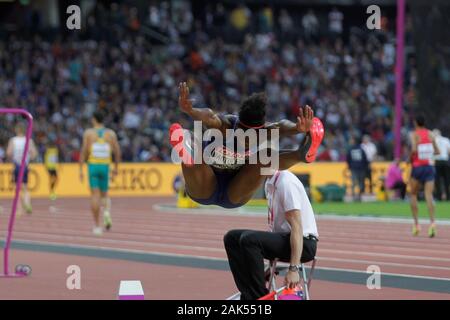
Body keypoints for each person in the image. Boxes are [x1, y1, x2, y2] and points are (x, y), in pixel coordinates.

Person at [169, 82, 324, 209]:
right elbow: (209, 116)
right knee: (192, 141)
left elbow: (282, 126)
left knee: (266, 156)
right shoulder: (225, 125)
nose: (245, 140)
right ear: (237, 126)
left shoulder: (265, 131)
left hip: (235, 193)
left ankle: (302, 154)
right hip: (204, 186)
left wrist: (297, 129)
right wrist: (191, 111)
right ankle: (188, 153)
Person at [224, 170, 318, 300]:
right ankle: (248, 295)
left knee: (249, 240)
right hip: (286, 240)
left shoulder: (286, 182)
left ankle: (258, 297)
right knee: (231, 238)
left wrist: (293, 269)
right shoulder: (269, 182)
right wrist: (268, 267)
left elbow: (297, 227)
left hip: (304, 243)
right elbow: (276, 230)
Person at [79, 110, 121, 235]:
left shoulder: (89, 133)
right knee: (105, 194)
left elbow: (84, 151)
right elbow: (117, 152)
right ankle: (106, 212)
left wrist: (80, 168)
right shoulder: (111, 134)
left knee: (95, 196)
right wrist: (116, 168)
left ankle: (97, 226)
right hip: (105, 166)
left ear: (93, 119)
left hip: (93, 166)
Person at [409, 115, 440, 237]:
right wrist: (428, 153)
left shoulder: (414, 134)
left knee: (413, 194)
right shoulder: (430, 134)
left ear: (416, 123)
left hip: (417, 167)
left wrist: (408, 159)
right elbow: (437, 152)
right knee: (429, 195)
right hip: (429, 167)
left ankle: (416, 225)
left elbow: (413, 150)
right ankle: (432, 224)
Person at [6, 122, 38, 215]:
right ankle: (27, 204)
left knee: (17, 188)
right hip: (25, 165)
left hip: (17, 165)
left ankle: (19, 209)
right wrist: (29, 158)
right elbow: (34, 153)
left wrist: (13, 157)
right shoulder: (28, 140)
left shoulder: (13, 140)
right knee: (25, 187)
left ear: (16, 130)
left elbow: (8, 152)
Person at [346, 136, 369, 201]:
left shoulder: (350, 150)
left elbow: (348, 159)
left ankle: (353, 196)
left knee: (354, 182)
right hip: (361, 168)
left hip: (354, 168)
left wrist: (350, 166)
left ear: (354, 141)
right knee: (361, 182)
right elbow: (365, 159)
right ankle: (359, 196)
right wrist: (364, 167)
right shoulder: (361, 149)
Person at [433, 129, 450, 201]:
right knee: (447, 181)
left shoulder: (433, 141)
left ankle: (439, 197)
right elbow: (449, 151)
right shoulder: (446, 140)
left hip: (437, 162)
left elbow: (432, 152)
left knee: (437, 181)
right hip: (445, 162)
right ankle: (448, 197)